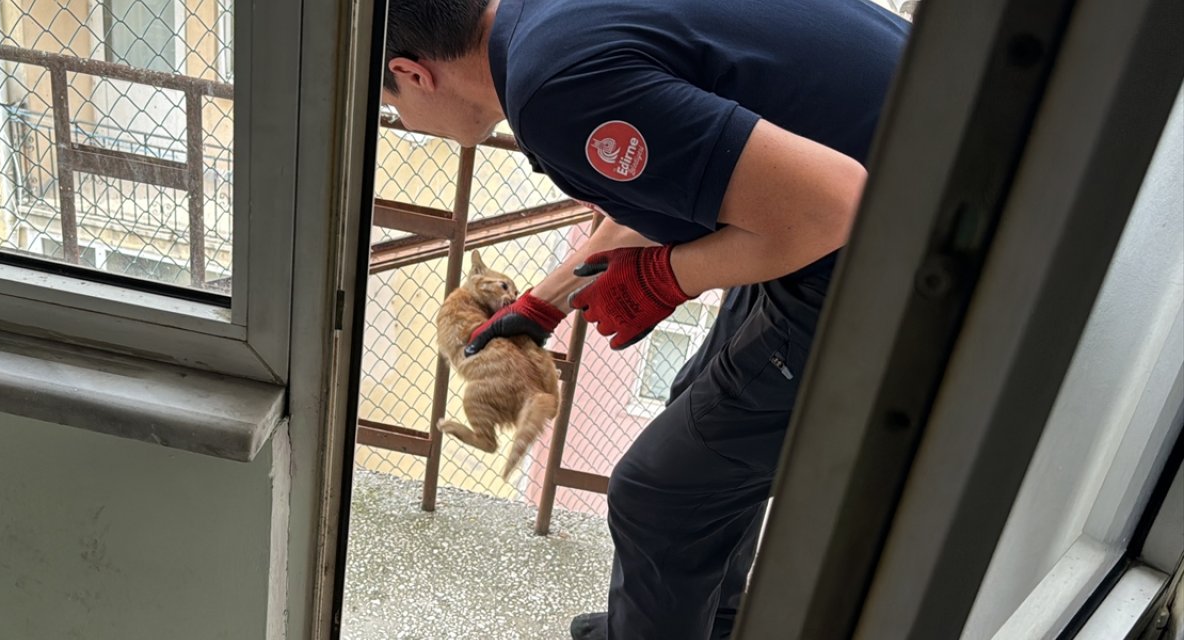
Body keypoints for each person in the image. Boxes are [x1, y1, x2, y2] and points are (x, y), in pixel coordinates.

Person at [381, 0, 909, 637]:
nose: (405, 122)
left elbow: (832, 207)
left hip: (899, 260)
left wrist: (665, 277)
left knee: (661, 495)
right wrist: (544, 302)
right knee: (701, 417)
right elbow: (683, 170)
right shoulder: (547, 27)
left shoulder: (553, 90)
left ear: (412, 73)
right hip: (879, 199)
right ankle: (706, 624)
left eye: (392, 107)